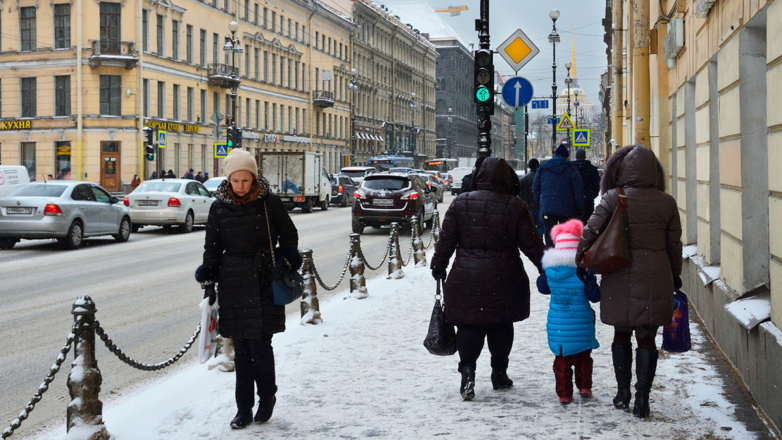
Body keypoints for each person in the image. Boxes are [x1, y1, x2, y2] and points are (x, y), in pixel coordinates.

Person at [195, 149, 300, 429]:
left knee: (261, 347)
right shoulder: (219, 208)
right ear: (228, 181)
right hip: (233, 282)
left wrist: (285, 259)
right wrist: (210, 285)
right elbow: (212, 249)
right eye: (235, 181)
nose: (240, 186)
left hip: (266, 278)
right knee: (240, 350)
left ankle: (267, 398)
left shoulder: (269, 203)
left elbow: (289, 234)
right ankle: (243, 408)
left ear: (254, 178)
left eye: (246, 180)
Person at [578, 145, 682, 419]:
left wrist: (582, 258)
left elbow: (590, 231)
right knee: (646, 337)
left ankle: (623, 392)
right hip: (655, 274)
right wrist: (675, 273)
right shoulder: (666, 201)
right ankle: (643, 399)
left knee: (621, 333)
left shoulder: (614, 197)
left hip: (619, 272)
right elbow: (674, 244)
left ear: (622, 170)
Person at [430, 157, 545, 401]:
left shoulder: (461, 203)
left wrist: (438, 266)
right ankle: (499, 373)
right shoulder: (515, 205)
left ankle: (468, 371)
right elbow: (532, 245)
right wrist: (549, 269)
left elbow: (446, 240)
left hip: (466, 277)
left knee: (469, 325)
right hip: (505, 277)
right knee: (501, 324)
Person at [536, 219, 600, 404]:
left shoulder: (550, 272)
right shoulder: (584, 272)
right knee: (583, 358)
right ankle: (584, 386)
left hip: (558, 326)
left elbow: (542, 288)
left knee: (562, 362)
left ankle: (564, 394)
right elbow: (594, 296)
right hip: (581, 324)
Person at [533, 143, 585, 247]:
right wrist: (580, 207)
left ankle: (551, 255)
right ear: (566, 157)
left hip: (548, 208)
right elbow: (577, 190)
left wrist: (540, 203)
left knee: (549, 232)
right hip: (567, 209)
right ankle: (563, 253)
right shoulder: (571, 169)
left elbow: (535, 188)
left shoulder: (543, 169)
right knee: (565, 234)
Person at [573, 149, 601, 224]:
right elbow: (596, 185)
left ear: (576, 157)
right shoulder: (592, 169)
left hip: (573, 201)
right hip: (588, 201)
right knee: (588, 223)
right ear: (585, 157)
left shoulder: (572, 169)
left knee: (575, 224)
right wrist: (591, 195)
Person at [519, 158, 545, 238]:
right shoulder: (541, 177)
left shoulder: (524, 179)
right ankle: (539, 240)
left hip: (528, 207)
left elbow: (521, 194)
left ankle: (531, 241)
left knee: (530, 227)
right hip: (540, 207)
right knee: (541, 226)